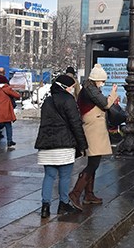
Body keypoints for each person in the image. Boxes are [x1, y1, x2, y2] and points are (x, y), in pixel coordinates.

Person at [35, 75, 88, 218]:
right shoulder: (68, 100)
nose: (72, 89)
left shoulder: (48, 101)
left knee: (49, 176)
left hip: (46, 144)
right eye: (71, 87)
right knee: (64, 176)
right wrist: (82, 144)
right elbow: (75, 124)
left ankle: (45, 207)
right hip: (64, 143)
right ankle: (63, 204)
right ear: (65, 87)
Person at [69, 63, 117, 210]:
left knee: (93, 162)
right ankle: (75, 194)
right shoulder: (91, 89)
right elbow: (106, 104)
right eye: (102, 81)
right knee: (93, 164)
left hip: (93, 128)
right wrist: (113, 93)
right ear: (97, 79)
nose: (103, 83)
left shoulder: (88, 89)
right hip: (93, 130)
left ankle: (89, 194)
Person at [0, 75, 20, 150]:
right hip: (5, 111)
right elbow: (17, 96)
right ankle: (9, 141)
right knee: (8, 126)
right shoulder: (7, 88)